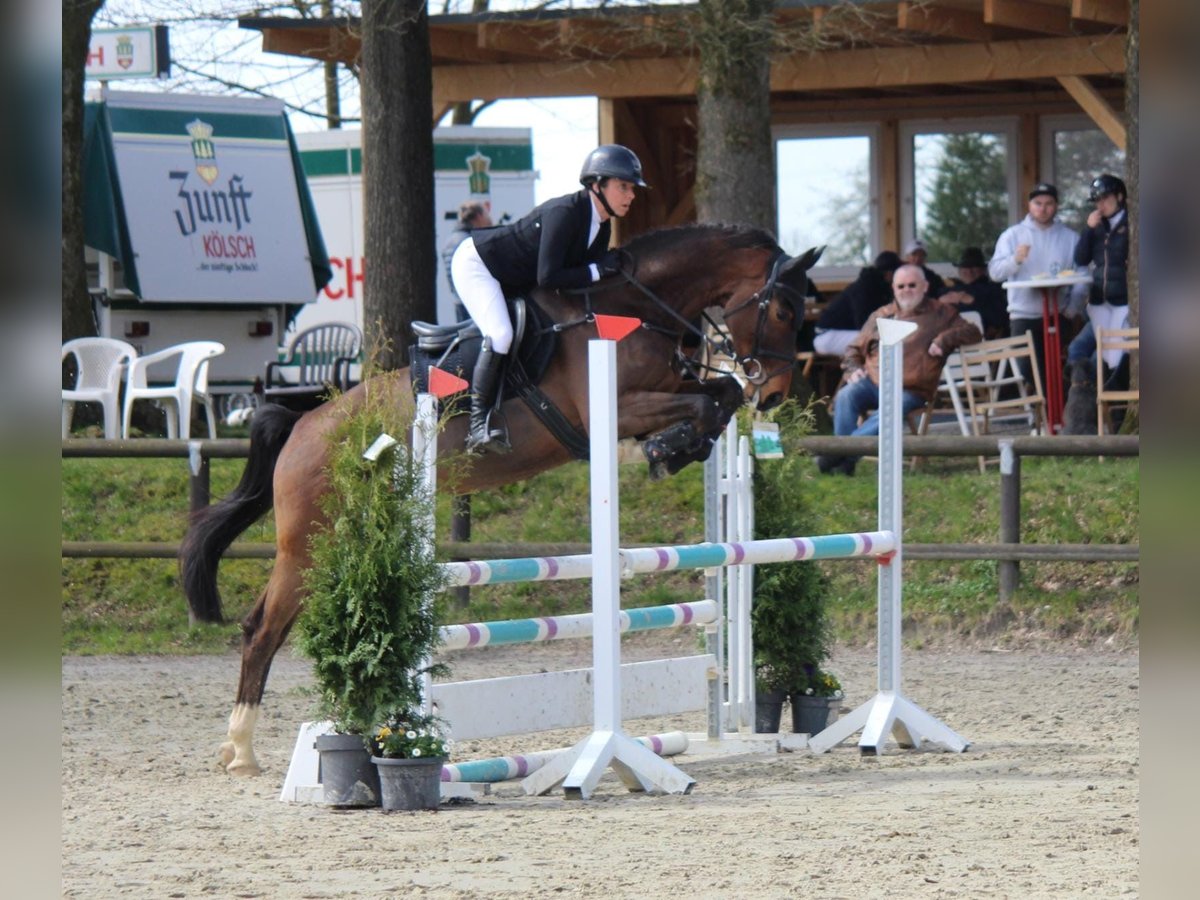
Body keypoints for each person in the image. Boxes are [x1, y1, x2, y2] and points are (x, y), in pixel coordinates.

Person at [450, 144, 647, 453]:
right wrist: (598, 271)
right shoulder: (565, 213)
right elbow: (549, 277)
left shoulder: (601, 225)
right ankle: (477, 425)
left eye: (632, 188)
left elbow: (581, 283)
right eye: (624, 186)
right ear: (597, 185)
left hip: (513, 276)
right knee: (501, 333)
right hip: (478, 264)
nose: (631, 195)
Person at [815, 265, 981, 476]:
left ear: (925, 286)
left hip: (911, 389)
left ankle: (839, 454)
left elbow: (973, 332)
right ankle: (845, 463)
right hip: (874, 382)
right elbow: (853, 349)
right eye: (901, 286)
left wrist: (945, 339)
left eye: (912, 285)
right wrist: (852, 369)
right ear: (893, 288)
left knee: (892, 408)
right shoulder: (882, 314)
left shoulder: (941, 312)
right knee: (846, 395)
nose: (906, 290)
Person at [987, 182, 1087, 388]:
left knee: (1058, 367)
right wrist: (1015, 260)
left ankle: (1057, 415)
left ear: (1057, 205)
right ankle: (1043, 413)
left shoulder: (1070, 238)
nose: (1043, 208)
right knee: (1027, 368)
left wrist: (1072, 308)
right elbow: (995, 273)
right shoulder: (1013, 235)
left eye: (1049, 203)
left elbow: (1083, 273)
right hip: (1023, 313)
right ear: (1029, 205)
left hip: (1058, 314)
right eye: (1038, 203)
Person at [1067, 173, 1130, 381]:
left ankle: (1106, 398)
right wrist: (1088, 230)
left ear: (1119, 197)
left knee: (1110, 354)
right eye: (1097, 200)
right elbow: (1081, 259)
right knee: (1085, 349)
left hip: (1122, 300)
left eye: (1105, 198)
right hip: (1098, 300)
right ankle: (1085, 393)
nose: (1100, 205)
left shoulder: (1131, 224)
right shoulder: (1097, 227)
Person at [812, 250, 902, 358]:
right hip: (826, 336)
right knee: (878, 341)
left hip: (845, 333)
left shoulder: (880, 288)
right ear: (889, 274)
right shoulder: (865, 288)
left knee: (889, 338)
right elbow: (863, 324)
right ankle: (869, 374)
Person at [939, 246, 1009, 339]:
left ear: (983, 269)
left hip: (985, 342)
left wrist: (972, 301)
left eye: (974, 266)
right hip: (951, 341)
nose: (969, 271)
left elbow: (1002, 319)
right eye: (965, 266)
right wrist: (939, 303)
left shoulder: (993, 289)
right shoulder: (948, 290)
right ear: (959, 269)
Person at [442, 200, 494, 322]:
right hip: (476, 305)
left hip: (458, 302)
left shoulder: (449, 241)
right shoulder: (471, 242)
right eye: (487, 215)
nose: (490, 219)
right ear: (479, 217)